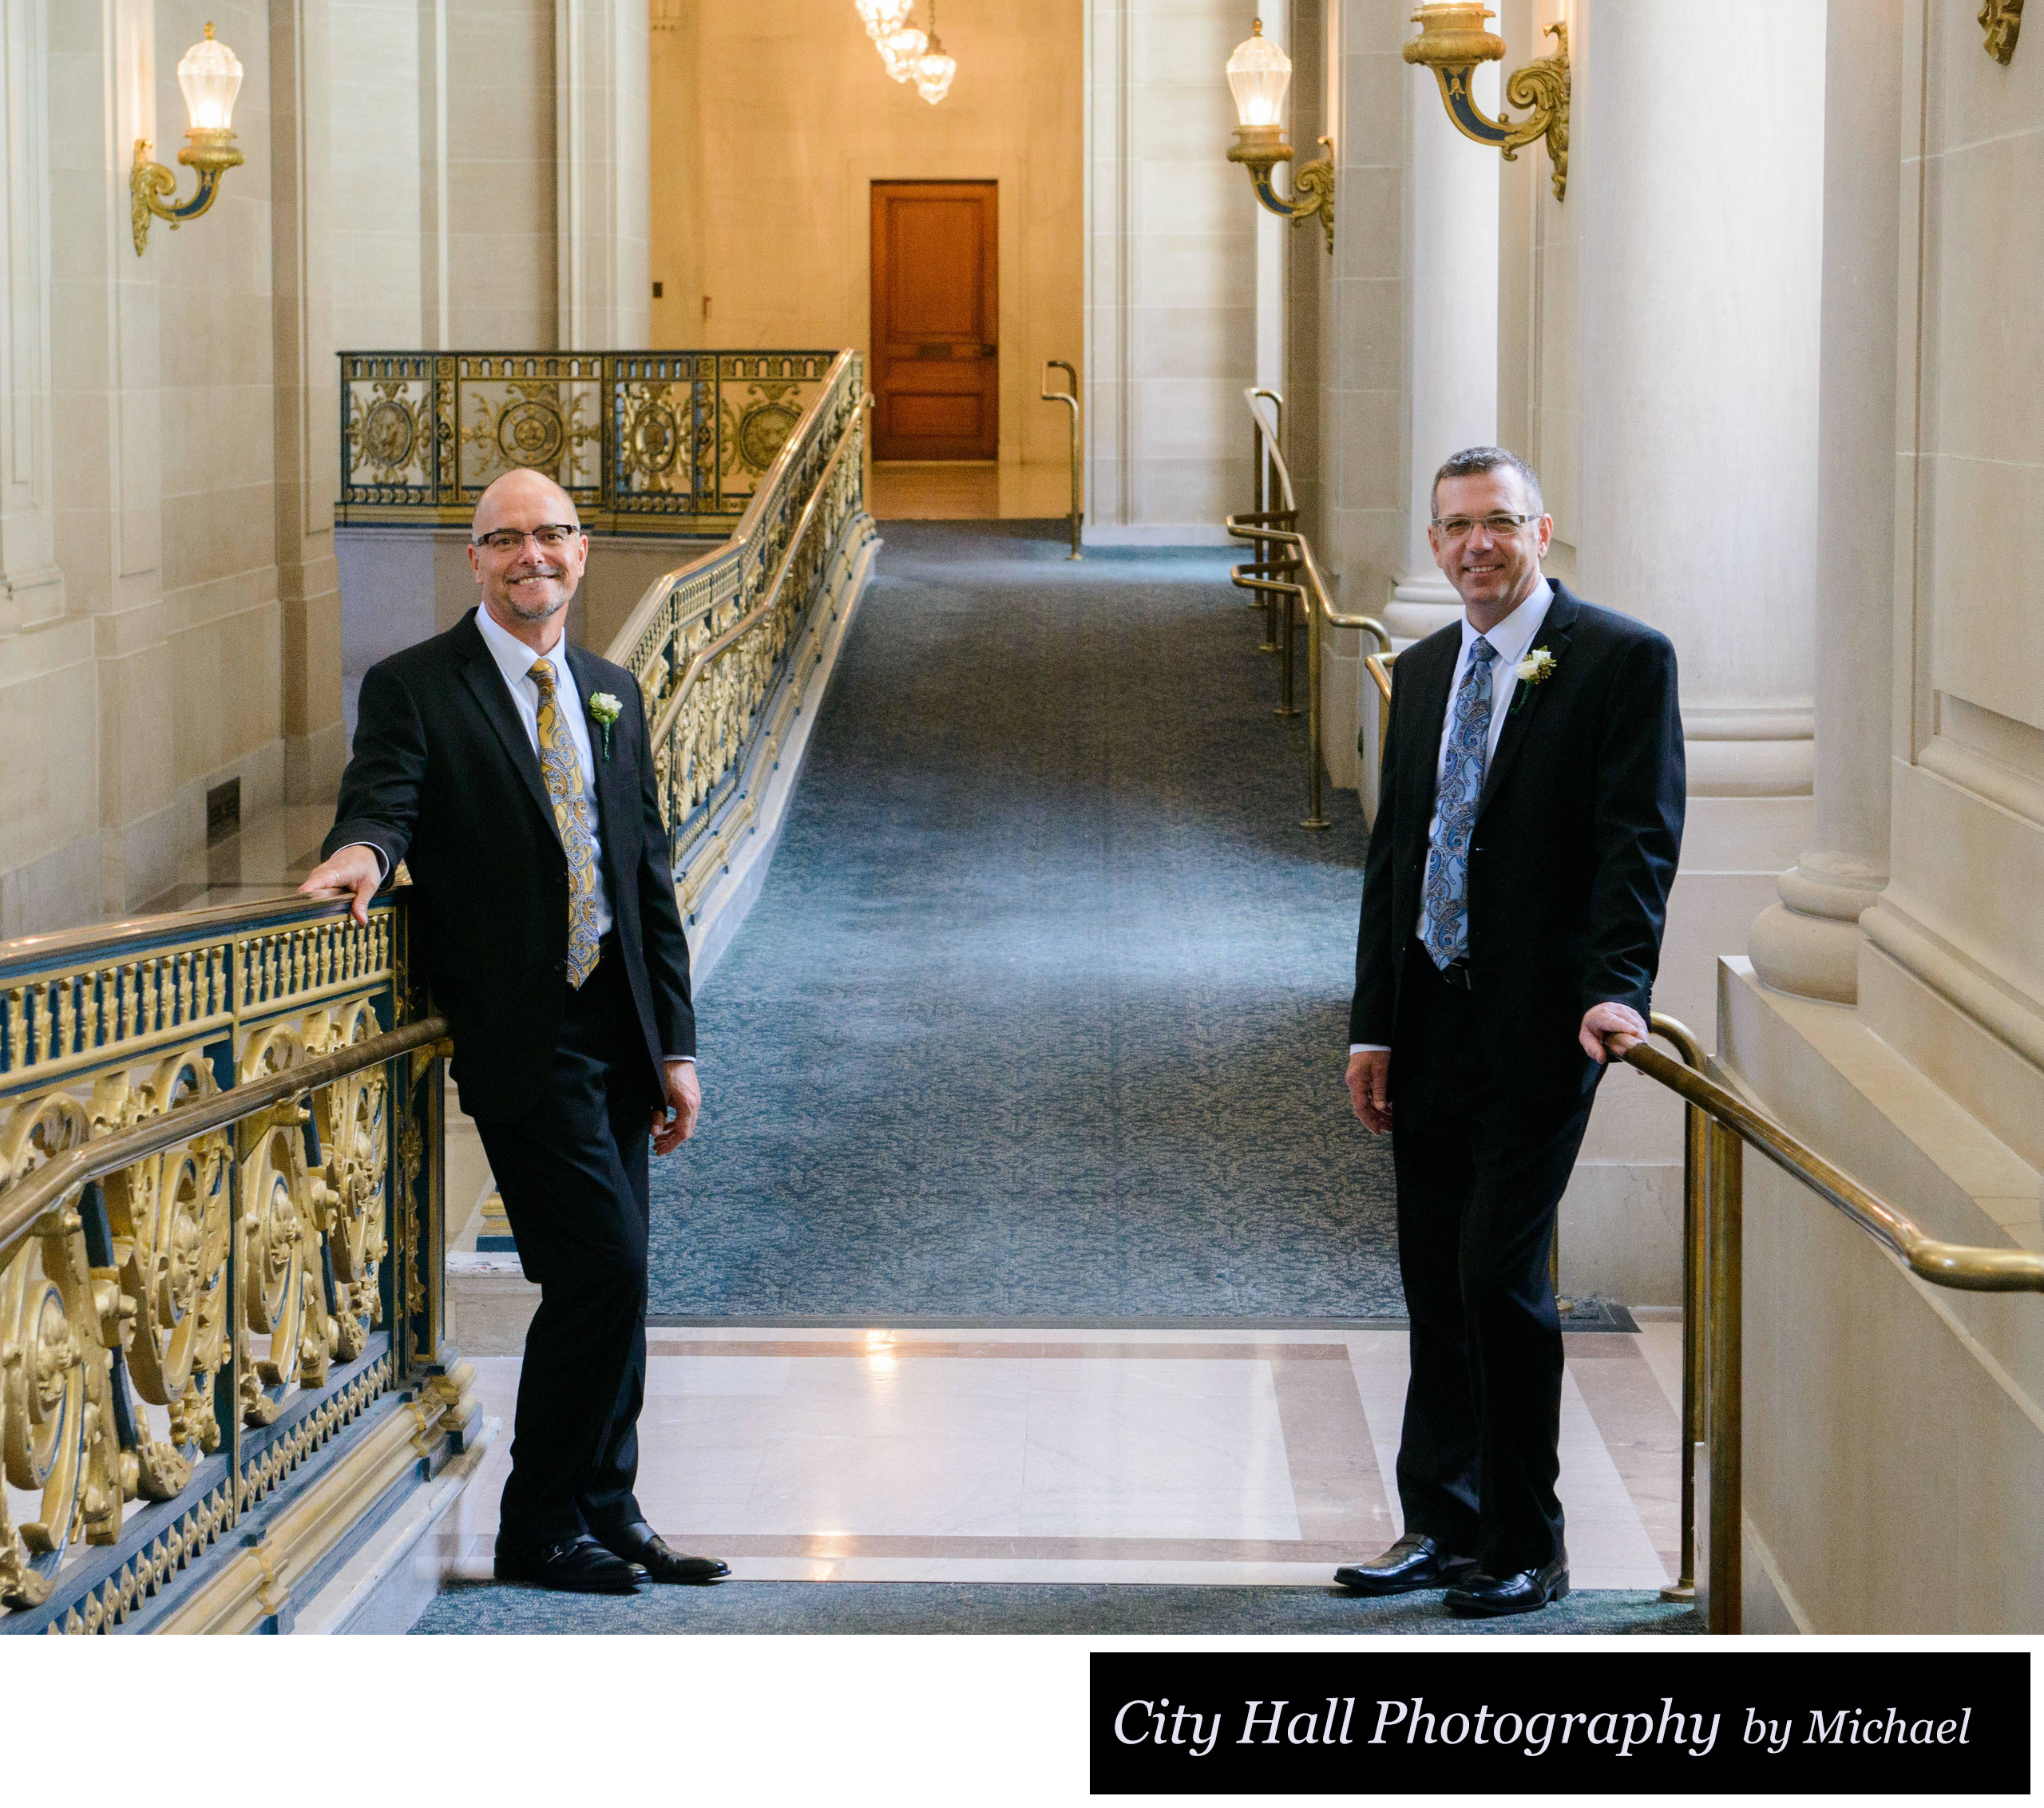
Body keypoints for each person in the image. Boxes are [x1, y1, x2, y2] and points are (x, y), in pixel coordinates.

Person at [300, 469, 730, 1596]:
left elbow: (646, 879)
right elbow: (384, 796)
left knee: (619, 1283)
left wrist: (675, 1046)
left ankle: (610, 1502)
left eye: (553, 535)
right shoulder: (416, 686)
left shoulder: (612, 690)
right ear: (476, 560)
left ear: (582, 552)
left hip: (621, 1028)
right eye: (507, 540)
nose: (532, 555)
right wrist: (365, 856)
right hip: (521, 1033)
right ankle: (537, 1520)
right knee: (604, 1264)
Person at [1334, 446, 1684, 1617]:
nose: (1475, 545)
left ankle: (1530, 1541)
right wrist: (1370, 1027)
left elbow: (1639, 838)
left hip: (1544, 1026)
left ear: (1542, 529)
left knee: (1498, 1273)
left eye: (1497, 522)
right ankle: (1440, 1519)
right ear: (1433, 545)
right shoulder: (1425, 667)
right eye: (1454, 528)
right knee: (1434, 1275)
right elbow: (1397, 862)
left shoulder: (1622, 661)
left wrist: (1617, 984)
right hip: (1428, 1018)